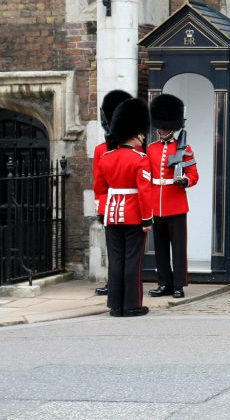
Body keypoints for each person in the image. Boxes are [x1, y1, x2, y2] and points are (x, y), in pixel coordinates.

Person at [94, 97, 155, 317]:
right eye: (142, 133)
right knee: (132, 261)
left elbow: (99, 188)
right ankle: (131, 306)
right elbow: (144, 192)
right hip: (133, 215)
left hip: (111, 215)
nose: (144, 137)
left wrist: (102, 213)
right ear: (135, 133)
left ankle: (115, 306)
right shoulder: (140, 158)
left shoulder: (106, 157)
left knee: (116, 260)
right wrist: (147, 219)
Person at [146, 93, 199, 300]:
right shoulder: (151, 149)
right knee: (160, 248)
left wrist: (184, 181)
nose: (162, 130)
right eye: (160, 126)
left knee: (178, 247)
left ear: (173, 127)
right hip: (156, 203)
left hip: (176, 203)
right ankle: (164, 283)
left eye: (166, 126)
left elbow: (194, 175)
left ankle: (178, 284)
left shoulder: (184, 149)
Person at [93, 89, 132, 297]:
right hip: (110, 206)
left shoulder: (136, 149)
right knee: (114, 250)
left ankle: (127, 285)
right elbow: (99, 185)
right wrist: (100, 208)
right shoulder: (101, 149)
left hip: (130, 205)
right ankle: (113, 283)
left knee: (129, 251)